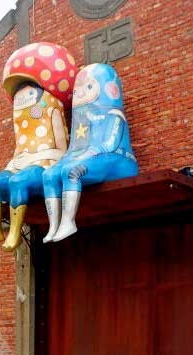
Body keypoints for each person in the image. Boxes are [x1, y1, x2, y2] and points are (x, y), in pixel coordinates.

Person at [0, 42, 77, 251]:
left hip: (45, 165)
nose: (22, 99)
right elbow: (19, 149)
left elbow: (62, 151)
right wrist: (13, 164)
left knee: (18, 181)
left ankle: (14, 234)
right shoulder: (20, 122)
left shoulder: (52, 111)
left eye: (28, 93)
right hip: (20, 165)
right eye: (18, 96)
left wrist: (38, 159)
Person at [42, 63, 138, 243]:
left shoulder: (113, 114)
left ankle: (68, 222)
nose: (81, 93)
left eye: (88, 87)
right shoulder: (81, 119)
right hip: (88, 155)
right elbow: (75, 148)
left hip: (117, 158)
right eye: (77, 90)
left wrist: (90, 153)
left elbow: (110, 144)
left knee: (71, 171)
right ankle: (53, 225)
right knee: (49, 175)